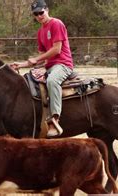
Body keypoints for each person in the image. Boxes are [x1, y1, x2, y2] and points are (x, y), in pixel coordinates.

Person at [11, 0, 73, 137]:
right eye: (36, 14)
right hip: (50, 66)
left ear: (47, 10)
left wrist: (39, 61)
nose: (39, 16)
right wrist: (21, 65)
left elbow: (57, 50)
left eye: (41, 12)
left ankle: (55, 119)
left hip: (63, 64)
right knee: (29, 80)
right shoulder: (40, 32)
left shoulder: (56, 23)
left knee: (52, 81)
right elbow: (43, 57)